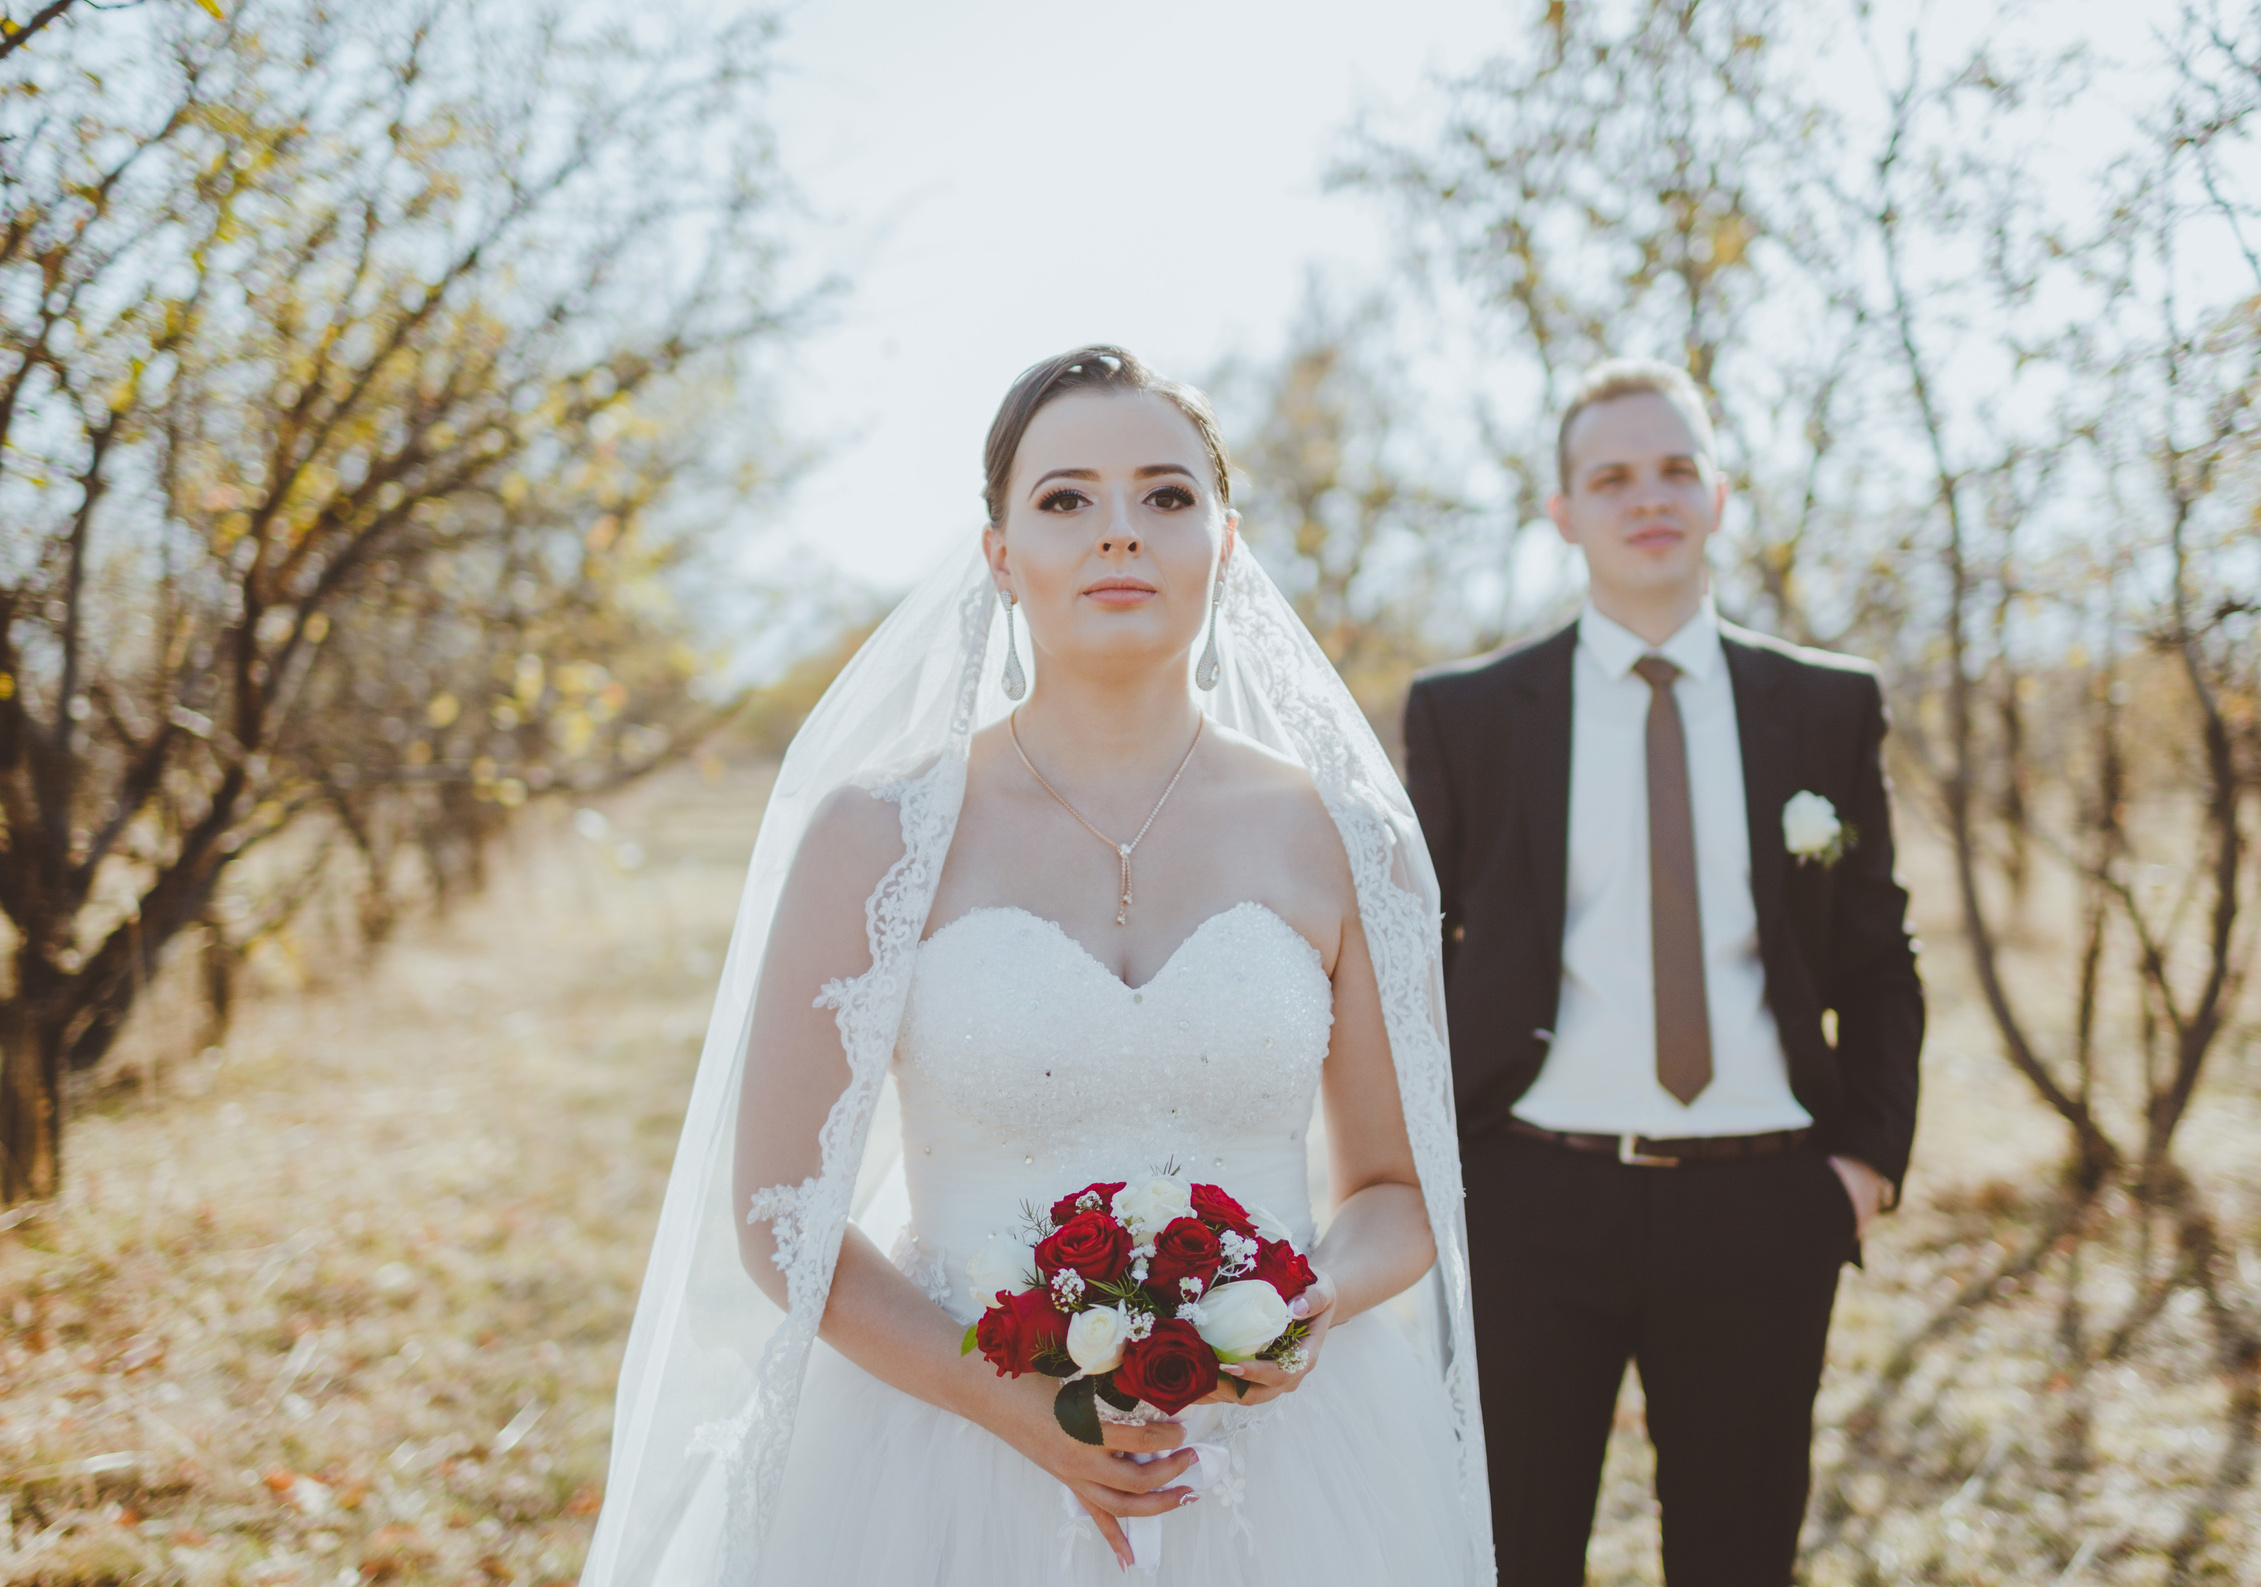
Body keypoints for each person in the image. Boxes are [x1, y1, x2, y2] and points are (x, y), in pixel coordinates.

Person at [577, 347, 1491, 1587]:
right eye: (1066, 500)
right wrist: (1008, 1405)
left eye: (1165, 497)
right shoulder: (875, 834)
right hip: (946, 1449)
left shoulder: (1346, 840)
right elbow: (781, 1219)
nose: (1119, 534)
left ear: (1224, 543)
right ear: (1000, 555)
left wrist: (1298, 1304)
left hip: (1286, 1461)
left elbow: (1396, 1187)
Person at [1403, 358, 1924, 1586]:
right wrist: (1442, 1176)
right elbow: (1411, 964)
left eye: (1677, 468)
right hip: (1532, 1198)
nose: (1649, 496)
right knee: (1514, 1555)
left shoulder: (1823, 705)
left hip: (1765, 1202)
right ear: (1563, 513)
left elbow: (1878, 956)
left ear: (1720, 496)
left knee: (1737, 1559)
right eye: (1612, 475)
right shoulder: (1468, 715)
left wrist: (1865, 1172)